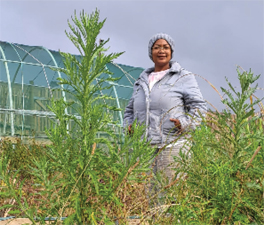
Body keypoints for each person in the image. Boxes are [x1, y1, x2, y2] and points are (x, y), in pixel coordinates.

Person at [123, 33, 207, 183]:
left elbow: (199, 107)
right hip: (144, 147)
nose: (161, 51)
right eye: (156, 47)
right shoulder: (141, 80)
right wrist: (128, 126)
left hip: (172, 145)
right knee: (144, 194)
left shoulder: (183, 77)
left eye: (165, 47)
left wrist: (185, 124)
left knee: (170, 193)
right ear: (151, 52)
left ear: (171, 52)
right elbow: (129, 110)